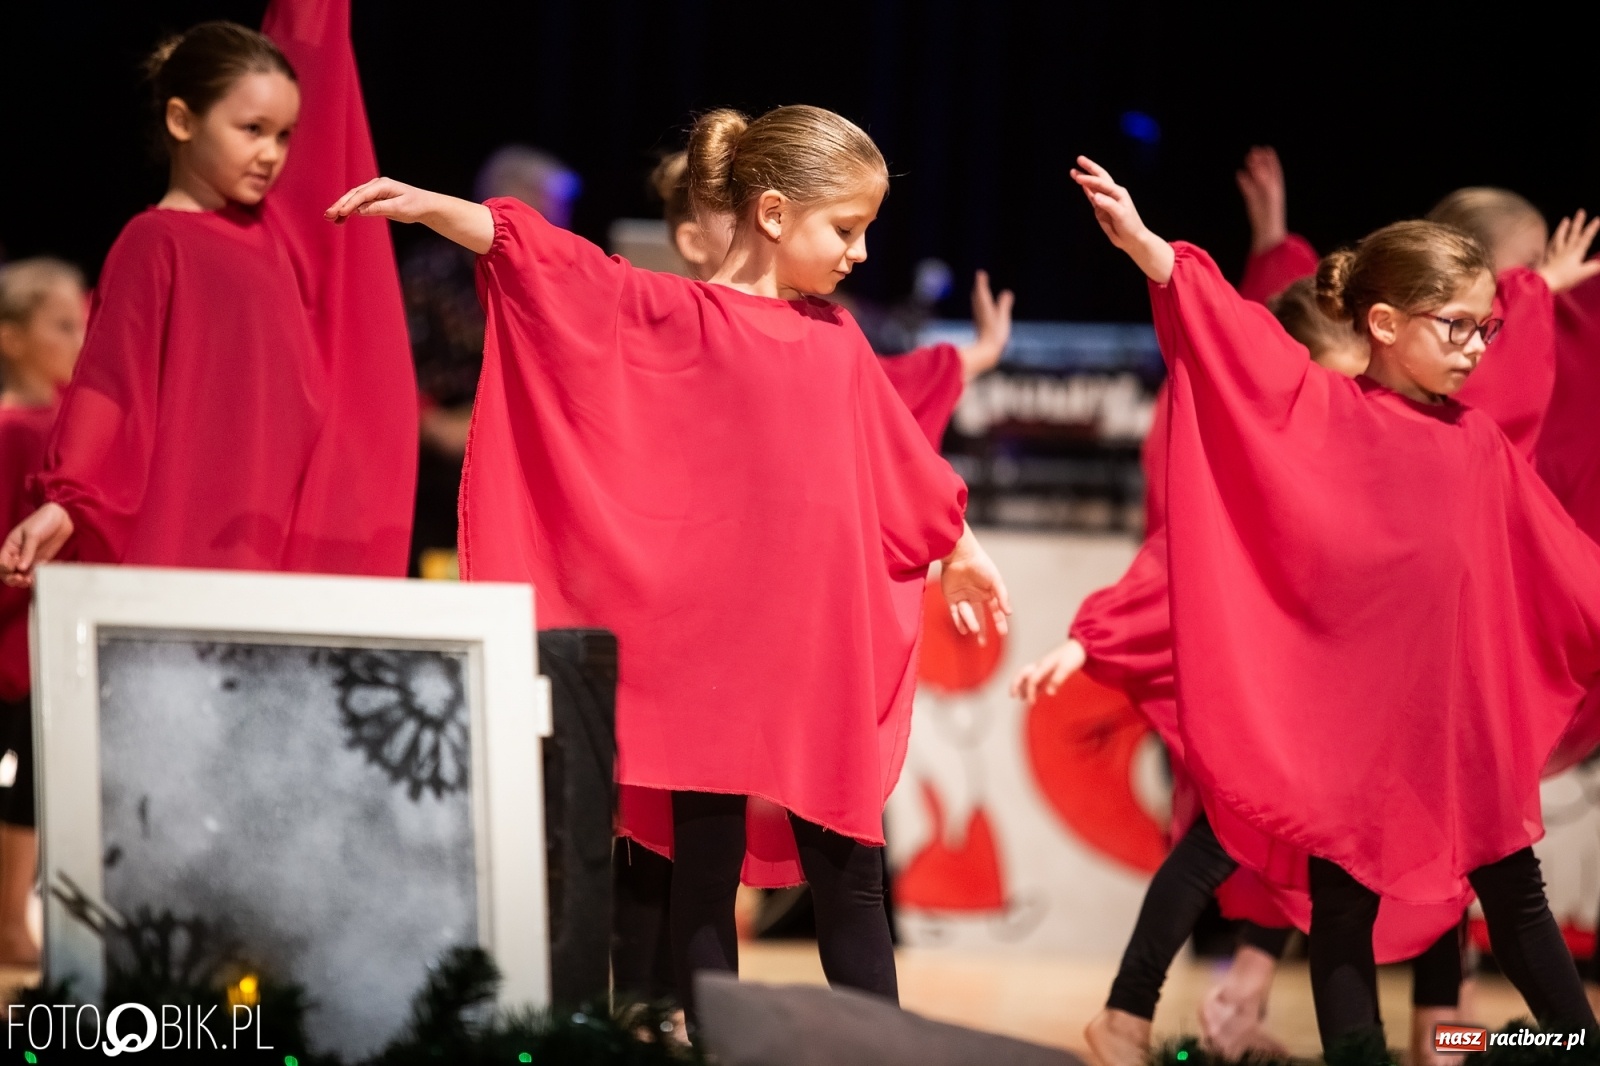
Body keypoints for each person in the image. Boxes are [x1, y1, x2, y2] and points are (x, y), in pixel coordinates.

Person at [324, 104, 1011, 1029]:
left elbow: (904, 462)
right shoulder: (670, 311)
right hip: (709, 654)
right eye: (844, 229)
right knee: (703, 872)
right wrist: (445, 211)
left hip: (814, 648)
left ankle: (877, 1052)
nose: (857, 252)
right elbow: (555, 269)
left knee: (847, 871)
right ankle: (705, 1044)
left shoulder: (839, 341)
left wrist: (959, 550)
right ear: (772, 214)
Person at [1070, 155, 1600, 1063]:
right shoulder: (1326, 411)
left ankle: (1562, 1045)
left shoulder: (1477, 442)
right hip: (1355, 735)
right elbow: (1238, 345)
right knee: (1343, 911)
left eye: (1488, 328)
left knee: (1514, 900)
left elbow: (1564, 559)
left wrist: (1536, 288)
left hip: (1457, 734)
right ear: (1385, 323)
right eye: (1460, 327)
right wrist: (1156, 253)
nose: (1479, 347)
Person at [0, 0, 414, 590]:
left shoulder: (275, 238)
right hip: (189, 539)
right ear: (181, 119)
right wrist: (65, 500)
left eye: (284, 135)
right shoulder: (155, 240)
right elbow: (112, 384)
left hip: (270, 538)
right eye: (252, 130)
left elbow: (320, 69)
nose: (272, 153)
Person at [651, 150, 1011, 447]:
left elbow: (886, 389)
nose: (759, 224)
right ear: (693, 241)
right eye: (740, 216)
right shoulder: (663, 328)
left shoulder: (820, 331)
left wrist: (983, 352)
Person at [405, 146, 581, 576]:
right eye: (551, 212)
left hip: (520, 447)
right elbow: (392, 366)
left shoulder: (562, 284)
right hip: (439, 452)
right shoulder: (434, 269)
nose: (561, 227)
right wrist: (435, 425)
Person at [0, 258, 86, 966]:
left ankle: (13, 917)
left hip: (51, 630)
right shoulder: (15, 429)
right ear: (12, 337)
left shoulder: (70, 425)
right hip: (15, 634)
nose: (78, 339)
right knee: (24, 774)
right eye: (61, 326)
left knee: (37, 776)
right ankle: (8, 922)